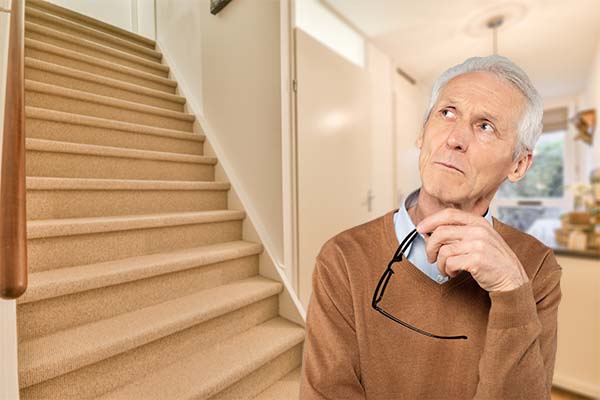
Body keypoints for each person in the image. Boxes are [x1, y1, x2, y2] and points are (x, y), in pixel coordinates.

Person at [299, 55, 562, 399]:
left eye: (485, 126)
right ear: (422, 134)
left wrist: (511, 292)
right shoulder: (343, 257)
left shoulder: (536, 268)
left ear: (518, 165)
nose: (455, 138)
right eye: (447, 113)